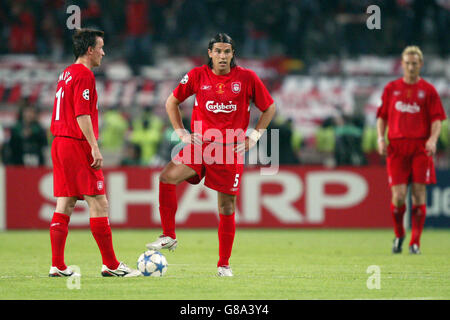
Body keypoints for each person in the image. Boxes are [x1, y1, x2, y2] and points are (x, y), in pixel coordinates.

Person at [146, 33, 276, 276]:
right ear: (210, 53)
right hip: (200, 145)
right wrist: (182, 133)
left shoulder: (247, 78)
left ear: (232, 54)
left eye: (227, 51)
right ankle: (168, 236)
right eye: (218, 51)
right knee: (166, 177)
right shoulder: (197, 75)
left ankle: (223, 264)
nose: (222, 56)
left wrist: (255, 137)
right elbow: (171, 102)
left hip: (229, 150)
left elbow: (269, 107)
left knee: (226, 207)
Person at [49, 28, 140, 277]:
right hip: (76, 142)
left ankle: (57, 264)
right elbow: (82, 114)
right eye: (100, 47)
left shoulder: (65, 73)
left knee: (65, 202)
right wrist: (94, 146)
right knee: (99, 202)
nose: (103, 52)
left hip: (59, 142)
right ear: (90, 50)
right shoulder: (84, 74)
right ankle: (111, 265)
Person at [376, 46, 447, 255]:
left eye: (415, 63)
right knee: (398, 197)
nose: (411, 66)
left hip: (420, 147)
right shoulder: (391, 88)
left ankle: (415, 242)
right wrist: (381, 138)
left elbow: (437, 119)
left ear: (421, 65)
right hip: (397, 148)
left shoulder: (429, 90)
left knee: (418, 194)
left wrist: (433, 140)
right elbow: (382, 116)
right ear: (402, 64)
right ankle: (399, 235)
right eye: (407, 63)